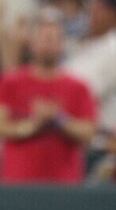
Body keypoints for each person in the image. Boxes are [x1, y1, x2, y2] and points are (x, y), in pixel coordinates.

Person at [0, 10, 97, 183]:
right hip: (18, 184)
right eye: (44, 39)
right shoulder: (11, 82)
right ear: (32, 43)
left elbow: (89, 133)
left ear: (62, 44)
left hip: (64, 185)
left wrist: (59, 118)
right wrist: (33, 125)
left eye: (53, 39)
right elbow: (2, 125)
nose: (48, 45)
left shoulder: (78, 87)